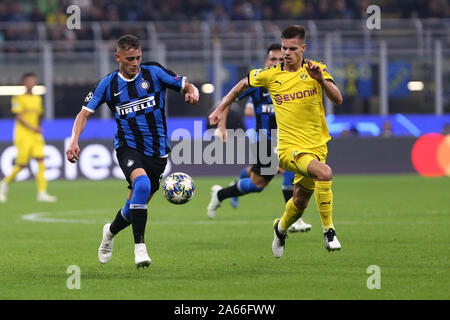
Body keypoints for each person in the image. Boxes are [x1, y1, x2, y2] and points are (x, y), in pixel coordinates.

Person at [209, 25, 343, 258]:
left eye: (292, 48)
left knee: (299, 203)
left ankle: (280, 228)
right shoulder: (269, 76)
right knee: (324, 173)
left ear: (303, 48)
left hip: (317, 146)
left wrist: (321, 80)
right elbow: (241, 85)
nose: (286, 53)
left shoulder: (316, 70)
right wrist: (220, 109)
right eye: (284, 48)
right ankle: (329, 231)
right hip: (285, 147)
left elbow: (338, 99)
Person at [65, 35, 199, 269]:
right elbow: (83, 114)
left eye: (138, 57)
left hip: (158, 152)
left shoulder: (154, 73)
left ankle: (109, 232)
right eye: (129, 59)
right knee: (143, 185)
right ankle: (140, 249)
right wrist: (74, 140)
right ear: (118, 58)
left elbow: (185, 84)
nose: (135, 62)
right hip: (128, 147)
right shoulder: (108, 84)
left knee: (133, 207)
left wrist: (192, 91)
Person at [208, 43, 311, 233]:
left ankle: (295, 220)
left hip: (289, 138)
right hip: (265, 140)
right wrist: (221, 127)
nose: (277, 62)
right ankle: (221, 194)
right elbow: (229, 99)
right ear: (266, 61)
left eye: (281, 60)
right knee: (257, 185)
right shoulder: (258, 82)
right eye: (273, 59)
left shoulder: (295, 81)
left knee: (292, 171)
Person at [0, 73, 57, 203]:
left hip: (36, 135)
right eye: (29, 81)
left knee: (41, 161)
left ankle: (42, 193)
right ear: (24, 83)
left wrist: (38, 128)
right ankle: (4, 183)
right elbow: (19, 117)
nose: (32, 83)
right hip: (23, 135)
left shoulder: (37, 99)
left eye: (33, 81)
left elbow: (39, 115)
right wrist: (33, 128)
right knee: (22, 164)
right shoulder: (18, 98)